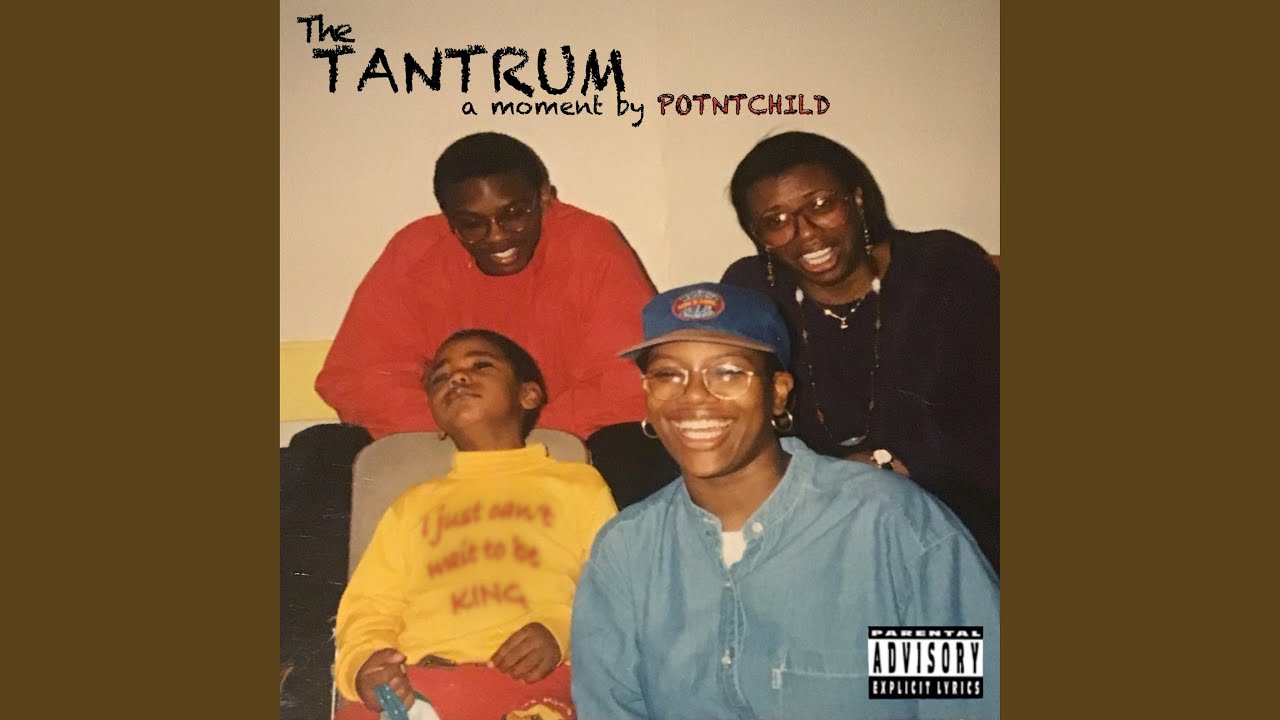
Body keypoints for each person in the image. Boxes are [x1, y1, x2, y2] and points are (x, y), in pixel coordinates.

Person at [570, 283, 999, 720]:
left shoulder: (882, 527)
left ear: (778, 392)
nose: (694, 396)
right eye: (668, 375)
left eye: (728, 372)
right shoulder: (629, 552)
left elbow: (962, 705)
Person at [317, 131, 679, 508]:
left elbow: (630, 378)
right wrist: (469, 430)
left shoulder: (589, 243)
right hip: (444, 446)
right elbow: (356, 378)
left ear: (544, 197)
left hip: (563, 444)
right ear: (448, 220)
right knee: (322, 450)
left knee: (633, 447)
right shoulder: (416, 250)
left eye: (514, 214)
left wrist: (512, 435)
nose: (497, 237)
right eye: (472, 224)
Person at [720, 131, 1000, 572]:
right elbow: (741, 430)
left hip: (960, 515)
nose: (805, 233)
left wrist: (893, 475)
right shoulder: (751, 292)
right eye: (775, 221)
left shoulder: (942, 268)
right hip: (821, 519)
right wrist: (836, 479)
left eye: (820, 205)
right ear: (759, 237)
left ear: (856, 200)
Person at [335, 329, 617, 720]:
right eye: (440, 377)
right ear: (437, 420)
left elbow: (616, 588)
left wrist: (562, 632)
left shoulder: (577, 485)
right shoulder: (413, 504)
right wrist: (363, 664)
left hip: (534, 681)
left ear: (528, 394)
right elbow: (370, 604)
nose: (457, 377)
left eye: (481, 365)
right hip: (418, 687)